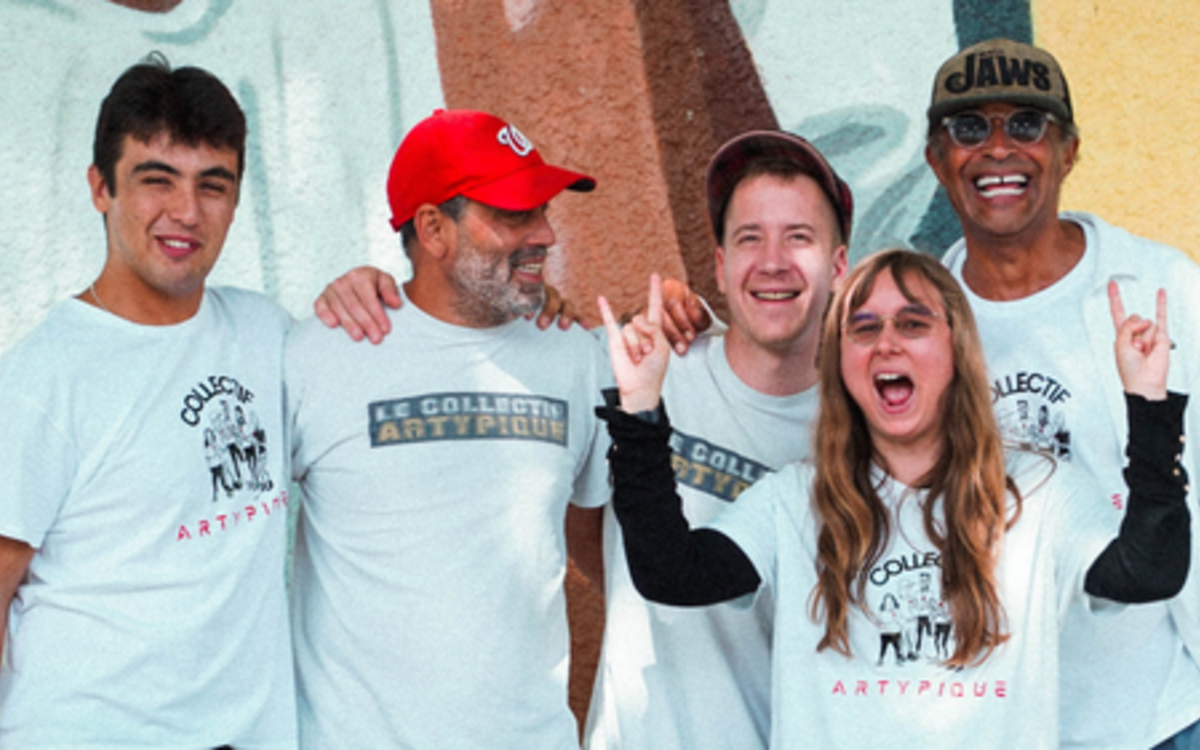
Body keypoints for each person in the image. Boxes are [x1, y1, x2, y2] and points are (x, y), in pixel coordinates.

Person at [595, 249, 1189, 748]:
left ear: (956, 350)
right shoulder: (795, 501)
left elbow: (1148, 572)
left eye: (913, 324)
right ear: (842, 361)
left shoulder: (1034, 491)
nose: (886, 344)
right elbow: (672, 574)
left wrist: (1149, 406)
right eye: (864, 327)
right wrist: (640, 412)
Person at [286, 108, 615, 748]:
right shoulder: (321, 354)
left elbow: (597, 543)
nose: (545, 234)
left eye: (543, 210)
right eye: (514, 214)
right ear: (433, 228)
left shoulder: (575, 357)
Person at [0, 57, 296, 748]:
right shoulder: (41, 378)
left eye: (212, 185)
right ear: (101, 187)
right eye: (155, 180)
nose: (186, 213)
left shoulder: (266, 334)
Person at [924, 38, 1200, 748]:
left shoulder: (1165, 285)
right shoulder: (919, 323)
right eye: (967, 127)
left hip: (1171, 712)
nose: (997, 148)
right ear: (936, 160)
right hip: (1009, 721)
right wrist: (697, 323)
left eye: (1026, 125)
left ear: (1069, 151)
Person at [583, 130, 851, 749]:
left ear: (838, 266)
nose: (773, 261)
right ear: (720, 266)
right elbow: (579, 507)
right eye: (750, 238)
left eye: (799, 237)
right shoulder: (644, 370)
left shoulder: (862, 436)